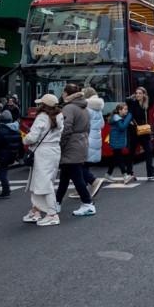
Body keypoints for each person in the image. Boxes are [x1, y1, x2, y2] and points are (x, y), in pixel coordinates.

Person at [23, 94, 64, 226]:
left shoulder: (42, 117)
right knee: (44, 181)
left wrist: (26, 139)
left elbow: (33, 137)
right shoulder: (59, 116)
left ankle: (52, 214)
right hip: (54, 150)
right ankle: (35, 210)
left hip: (42, 152)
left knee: (43, 182)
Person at [56, 84, 95, 216]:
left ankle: (88, 203)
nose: (62, 95)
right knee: (65, 177)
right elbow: (88, 127)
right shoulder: (84, 107)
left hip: (71, 146)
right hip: (80, 143)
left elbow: (66, 128)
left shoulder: (69, 108)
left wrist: (60, 145)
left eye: (63, 92)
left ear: (67, 94)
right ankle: (57, 202)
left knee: (77, 177)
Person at [123, 86, 154, 181]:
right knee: (132, 153)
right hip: (135, 131)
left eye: (140, 93)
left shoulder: (145, 105)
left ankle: (150, 173)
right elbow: (128, 116)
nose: (138, 95)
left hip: (144, 132)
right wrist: (132, 126)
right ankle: (129, 173)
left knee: (148, 152)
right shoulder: (131, 104)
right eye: (136, 93)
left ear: (144, 95)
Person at [0, 110, 23, 198]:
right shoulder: (17, 131)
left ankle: (6, 191)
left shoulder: (1, 131)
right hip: (11, 155)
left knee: (2, 173)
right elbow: (21, 146)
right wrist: (20, 156)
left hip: (2, 155)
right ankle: (6, 190)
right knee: (4, 173)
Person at [106, 103, 135, 183]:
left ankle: (108, 175)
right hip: (116, 141)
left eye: (127, 109)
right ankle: (125, 175)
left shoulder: (119, 118)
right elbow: (122, 127)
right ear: (119, 110)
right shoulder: (116, 118)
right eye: (125, 109)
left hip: (117, 141)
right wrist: (129, 117)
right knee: (120, 159)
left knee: (115, 158)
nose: (127, 111)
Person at [85, 93, 107, 199]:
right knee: (84, 164)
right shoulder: (98, 110)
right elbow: (102, 125)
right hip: (95, 138)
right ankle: (82, 188)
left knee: (80, 165)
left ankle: (93, 181)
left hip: (87, 138)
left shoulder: (87, 110)